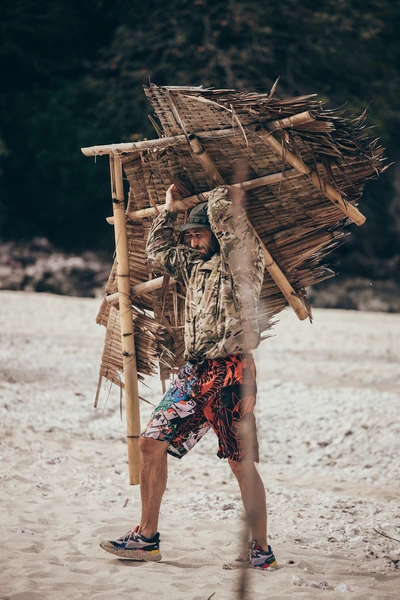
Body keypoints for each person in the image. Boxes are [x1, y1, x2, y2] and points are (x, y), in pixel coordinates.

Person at [100, 184, 277, 570]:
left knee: (239, 460)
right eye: (191, 236)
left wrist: (216, 197)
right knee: (151, 442)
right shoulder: (194, 265)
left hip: (233, 373)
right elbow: (157, 252)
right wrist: (169, 210)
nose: (194, 242)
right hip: (195, 372)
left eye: (198, 235)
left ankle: (261, 551)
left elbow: (232, 230)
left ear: (214, 232)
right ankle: (146, 539)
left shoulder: (244, 260)